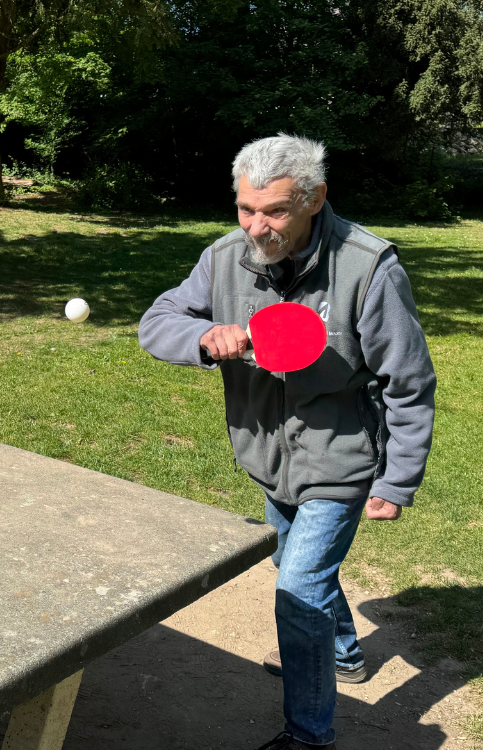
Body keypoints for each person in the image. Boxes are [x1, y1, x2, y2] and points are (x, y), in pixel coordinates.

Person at [139, 134, 436, 750]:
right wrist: (204, 337)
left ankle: (309, 736)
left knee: (298, 589)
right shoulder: (223, 259)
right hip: (265, 456)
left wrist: (397, 479)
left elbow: (406, 381)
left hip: (341, 458)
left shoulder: (367, 266)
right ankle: (346, 654)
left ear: (315, 197)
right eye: (246, 209)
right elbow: (157, 321)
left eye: (274, 211)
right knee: (294, 561)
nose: (257, 225)